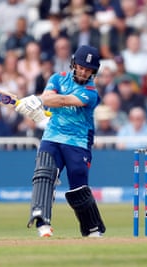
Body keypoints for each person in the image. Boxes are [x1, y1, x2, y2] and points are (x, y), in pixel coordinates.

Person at [14, 45, 106, 238]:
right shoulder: (57, 78)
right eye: (81, 67)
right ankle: (42, 222)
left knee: (78, 188)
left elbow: (64, 100)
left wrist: (38, 101)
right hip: (52, 136)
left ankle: (92, 229)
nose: (83, 72)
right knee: (44, 174)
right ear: (74, 64)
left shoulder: (90, 92)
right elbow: (49, 97)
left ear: (93, 72)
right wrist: (38, 107)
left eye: (88, 69)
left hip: (78, 142)